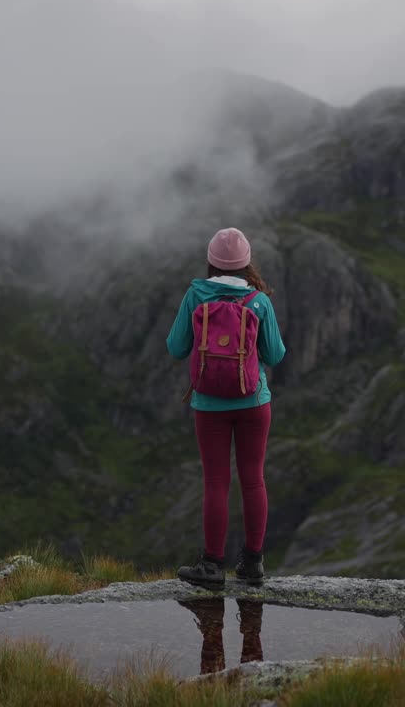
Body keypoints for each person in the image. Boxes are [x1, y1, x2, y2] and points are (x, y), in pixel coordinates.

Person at [166, 227, 286, 590]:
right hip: (253, 402)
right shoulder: (259, 302)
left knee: (216, 481)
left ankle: (212, 565)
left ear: (211, 262)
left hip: (209, 406)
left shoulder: (195, 296)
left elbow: (175, 347)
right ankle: (252, 563)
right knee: (253, 478)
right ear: (246, 263)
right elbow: (276, 355)